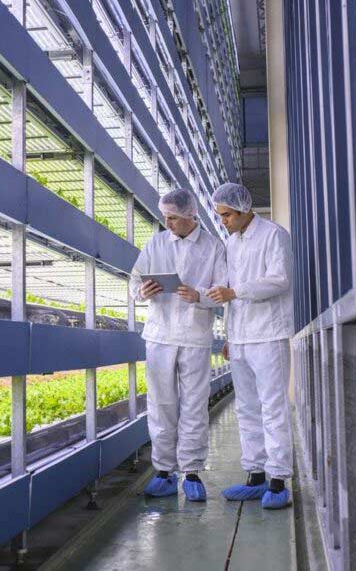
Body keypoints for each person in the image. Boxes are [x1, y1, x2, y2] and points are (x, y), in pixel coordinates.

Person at [129, 189, 226, 501]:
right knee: (160, 405)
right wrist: (143, 291)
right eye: (165, 217)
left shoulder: (213, 247)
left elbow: (223, 290)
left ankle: (193, 471)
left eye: (172, 218)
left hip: (195, 337)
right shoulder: (156, 243)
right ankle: (163, 471)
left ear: (189, 217)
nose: (166, 223)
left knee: (195, 405)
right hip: (159, 335)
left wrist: (199, 295)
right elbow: (134, 282)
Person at [206, 182, 294, 510]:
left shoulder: (273, 235)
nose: (223, 221)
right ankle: (255, 476)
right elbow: (229, 297)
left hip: (268, 334)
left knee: (272, 407)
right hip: (241, 338)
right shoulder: (231, 242)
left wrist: (236, 291)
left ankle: (278, 480)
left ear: (243, 210)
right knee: (246, 408)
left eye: (227, 215)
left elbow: (280, 279)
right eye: (220, 216)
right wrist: (230, 336)